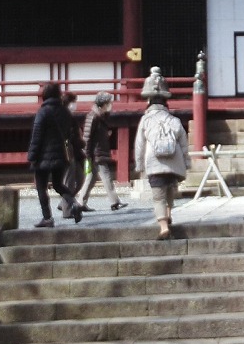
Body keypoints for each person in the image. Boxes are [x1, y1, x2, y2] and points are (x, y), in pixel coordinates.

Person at [133, 67, 188, 240]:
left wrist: (139, 164)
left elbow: (139, 144)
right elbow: (184, 144)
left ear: (148, 101)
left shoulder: (146, 120)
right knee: (170, 191)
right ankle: (169, 213)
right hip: (173, 163)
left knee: (158, 197)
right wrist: (186, 163)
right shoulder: (174, 120)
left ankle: (163, 226)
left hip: (154, 163)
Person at [27, 83, 85, 228]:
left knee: (41, 187)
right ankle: (74, 203)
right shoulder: (65, 112)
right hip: (61, 154)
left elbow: (37, 136)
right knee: (59, 185)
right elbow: (70, 134)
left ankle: (47, 218)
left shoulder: (43, 112)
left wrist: (32, 156)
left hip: (43, 157)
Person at [80, 91, 127, 212]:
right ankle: (114, 201)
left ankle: (80, 202)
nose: (110, 105)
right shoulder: (94, 116)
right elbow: (87, 137)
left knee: (90, 178)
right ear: (103, 104)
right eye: (108, 103)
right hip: (96, 153)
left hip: (97, 151)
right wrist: (87, 153)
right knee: (106, 177)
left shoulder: (101, 116)